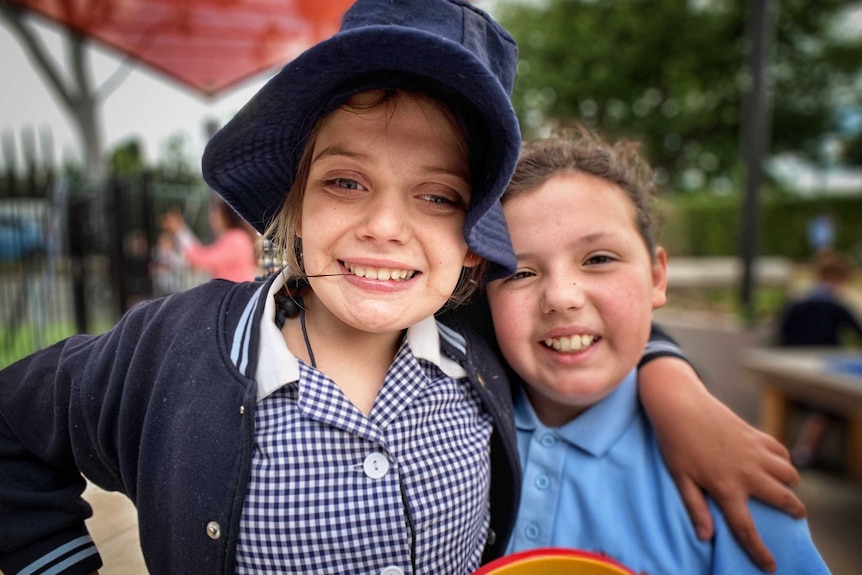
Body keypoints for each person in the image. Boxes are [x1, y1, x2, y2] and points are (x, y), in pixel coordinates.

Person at [0, 2, 801, 574]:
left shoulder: (476, 344)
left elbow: (583, 317)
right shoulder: (171, 348)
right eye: (346, 182)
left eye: (438, 195)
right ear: (295, 204)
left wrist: (675, 387)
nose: (386, 226)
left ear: (473, 248)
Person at [484, 124, 829, 574]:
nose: (562, 297)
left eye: (599, 259)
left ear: (656, 277)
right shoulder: (445, 436)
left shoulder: (732, 474)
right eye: (519, 273)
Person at [777, 249, 862, 467]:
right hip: (821, 367)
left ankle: (784, 448)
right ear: (837, 278)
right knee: (829, 405)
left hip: (791, 367)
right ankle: (805, 451)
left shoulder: (797, 301)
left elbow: (781, 331)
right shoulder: (836, 305)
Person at [161, 194, 259, 282]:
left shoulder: (236, 239)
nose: (211, 218)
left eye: (216, 213)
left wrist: (180, 230)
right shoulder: (238, 237)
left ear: (225, 216)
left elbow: (201, 259)